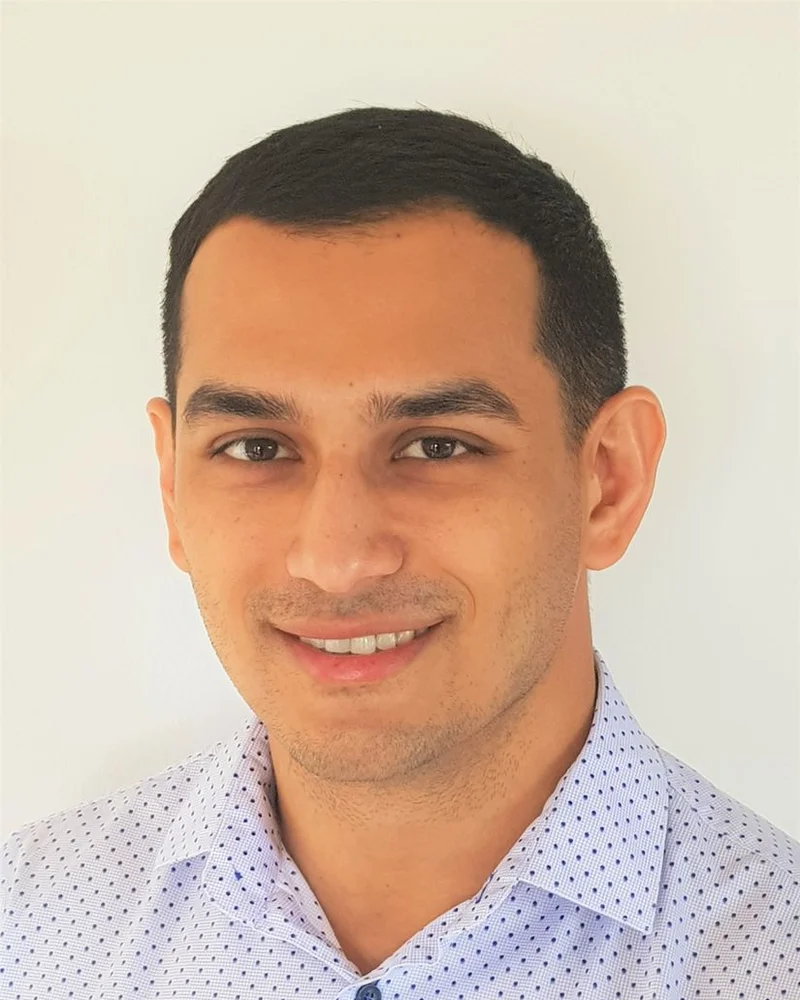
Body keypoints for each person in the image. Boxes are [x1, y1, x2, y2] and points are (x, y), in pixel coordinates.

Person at [2, 106, 798, 1000]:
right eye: (257, 448)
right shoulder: (27, 928)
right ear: (172, 486)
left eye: (436, 445)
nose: (335, 559)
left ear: (608, 481)